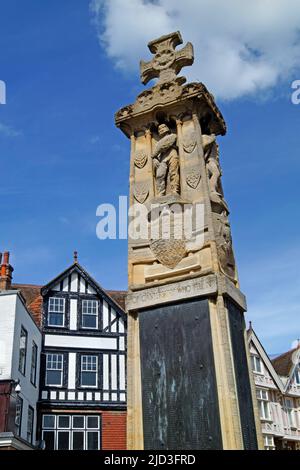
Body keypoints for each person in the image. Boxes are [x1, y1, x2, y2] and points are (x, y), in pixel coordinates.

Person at [152, 124, 180, 196]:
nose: (161, 129)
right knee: (159, 175)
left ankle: (175, 190)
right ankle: (160, 193)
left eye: (163, 127)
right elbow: (156, 151)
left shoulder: (173, 136)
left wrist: (154, 155)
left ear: (167, 128)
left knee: (173, 172)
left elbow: (165, 145)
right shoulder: (157, 143)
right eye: (159, 129)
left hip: (172, 153)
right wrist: (154, 159)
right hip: (162, 157)